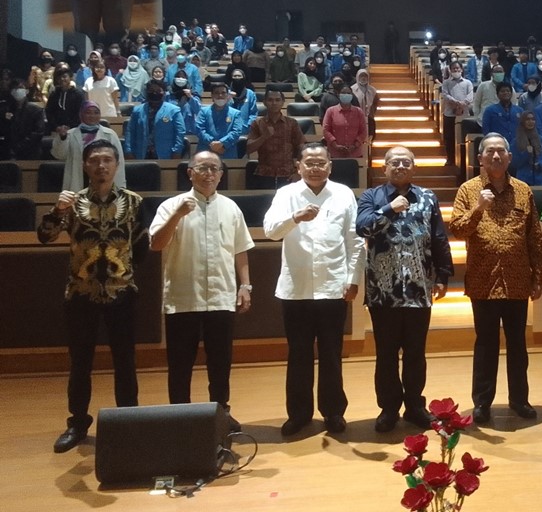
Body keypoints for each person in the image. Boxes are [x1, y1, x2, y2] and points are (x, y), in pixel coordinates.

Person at [37, 139, 145, 453]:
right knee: (80, 362)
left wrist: (123, 269)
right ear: (85, 166)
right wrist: (57, 211)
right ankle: (78, 423)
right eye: (95, 160)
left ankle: (129, 421)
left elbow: (141, 246)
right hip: (81, 293)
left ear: (116, 165)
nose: (101, 166)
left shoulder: (134, 201)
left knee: (125, 362)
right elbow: (45, 237)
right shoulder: (71, 203)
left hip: (121, 292)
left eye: (107, 160)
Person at [263, 143, 364, 436]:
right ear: (299, 166)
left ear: (330, 166)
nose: (315, 168)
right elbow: (270, 231)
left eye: (321, 163)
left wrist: (353, 277)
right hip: (296, 289)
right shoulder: (287, 194)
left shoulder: (344, 193)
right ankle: (299, 414)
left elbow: (354, 240)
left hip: (334, 287)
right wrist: (295, 217)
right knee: (299, 354)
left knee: (332, 353)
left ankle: (333, 412)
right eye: (310, 163)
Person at [149, 152, 254, 431]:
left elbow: (240, 249)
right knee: (180, 366)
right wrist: (177, 215)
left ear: (221, 174)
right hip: (183, 299)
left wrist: (245, 285)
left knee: (220, 365)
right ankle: (179, 416)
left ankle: (221, 413)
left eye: (214, 169)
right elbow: (156, 244)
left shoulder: (231, 207)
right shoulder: (171, 205)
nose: (209, 174)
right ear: (190, 172)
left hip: (221, 297)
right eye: (203, 168)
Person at [356, 147, 453, 432]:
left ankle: (414, 406)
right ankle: (388, 409)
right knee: (385, 353)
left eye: (406, 162)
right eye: (394, 162)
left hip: (418, 288)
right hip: (382, 290)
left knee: (415, 352)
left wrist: (443, 274)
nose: (400, 165)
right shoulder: (371, 197)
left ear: (414, 168)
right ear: (384, 168)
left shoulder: (427, 197)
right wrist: (389, 209)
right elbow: (362, 228)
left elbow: (438, 237)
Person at [449, 133, 542, 422]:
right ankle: (482, 403)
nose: (496, 156)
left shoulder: (523, 190)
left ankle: (519, 400)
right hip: (483, 280)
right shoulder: (468, 190)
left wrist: (538, 275)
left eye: (501, 151)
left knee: (518, 344)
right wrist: (479, 208)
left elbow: (534, 236)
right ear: (480, 159)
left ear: (509, 157)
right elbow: (457, 230)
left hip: (517, 280)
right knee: (486, 344)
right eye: (490, 152)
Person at [52, 101, 127, 191]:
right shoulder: (70, 134)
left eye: (96, 112)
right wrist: (63, 138)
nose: (92, 116)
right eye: (88, 112)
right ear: (81, 114)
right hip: (78, 180)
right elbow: (59, 155)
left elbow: (119, 162)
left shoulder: (110, 134)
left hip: (103, 177)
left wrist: (120, 187)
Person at [247, 88, 306, 186]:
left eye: (278, 100)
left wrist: (298, 173)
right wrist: (264, 137)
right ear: (264, 102)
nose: (274, 103)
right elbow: (249, 148)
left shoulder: (292, 123)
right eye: (270, 100)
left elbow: (302, 148)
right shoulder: (257, 123)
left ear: (283, 102)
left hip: (288, 174)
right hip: (264, 174)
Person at [124, 79, 186, 159]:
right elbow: (130, 132)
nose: (154, 93)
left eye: (158, 90)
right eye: (151, 90)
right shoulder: (137, 111)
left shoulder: (174, 110)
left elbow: (180, 132)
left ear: (164, 92)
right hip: (141, 153)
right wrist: (128, 151)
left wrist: (177, 151)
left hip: (166, 154)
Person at [1, 79, 46, 159]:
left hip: (30, 152)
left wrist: (21, 145)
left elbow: (38, 132)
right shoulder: (6, 109)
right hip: (9, 152)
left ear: (26, 91)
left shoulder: (36, 110)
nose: (17, 90)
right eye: (14, 88)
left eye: (20, 88)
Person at [197, 83, 243, 159]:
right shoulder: (203, 111)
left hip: (227, 152)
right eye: (217, 93)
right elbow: (199, 129)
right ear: (212, 95)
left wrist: (222, 143)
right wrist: (212, 143)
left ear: (228, 95)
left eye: (223, 93)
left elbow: (236, 132)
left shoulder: (236, 113)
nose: (220, 95)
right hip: (206, 151)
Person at [440, 61, 473, 166]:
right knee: (449, 137)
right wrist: (456, 103)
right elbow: (445, 95)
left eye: (458, 68)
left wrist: (462, 105)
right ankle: (450, 159)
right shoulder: (446, 82)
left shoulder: (468, 82)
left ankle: (462, 160)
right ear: (450, 70)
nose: (456, 70)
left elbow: (470, 96)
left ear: (462, 70)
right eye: (454, 68)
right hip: (449, 113)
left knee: (462, 138)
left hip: (464, 113)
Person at [322, 88, 368, 159]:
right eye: (343, 93)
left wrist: (355, 145)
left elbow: (363, 131)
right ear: (339, 95)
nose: (346, 95)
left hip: (355, 153)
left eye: (348, 93)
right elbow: (326, 130)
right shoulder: (330, 111)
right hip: (334, 153)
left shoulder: (359, 112)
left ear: (352, 96)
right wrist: (335, 145)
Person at [511, 111, 542, 186]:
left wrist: (540, 164)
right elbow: (514, 163)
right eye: (527, 119)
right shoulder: (515, 142)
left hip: (539, 180)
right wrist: (526, 154)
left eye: (533, 119)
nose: (530, 122)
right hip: (522, 180)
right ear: (523, 122)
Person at [45, 67, 85, 133]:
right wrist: (56, 127)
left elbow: (80, 113)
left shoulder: (78, 94)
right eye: (59, 77)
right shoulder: (54, 94)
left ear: (71, 78)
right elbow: (49, 112)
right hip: (56, 131)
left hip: (74, 131)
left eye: (64, 77)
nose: (62, 79)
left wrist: (70, 127)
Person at [169, 69, 202, 135]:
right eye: (178, 77)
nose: (180, 79)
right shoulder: (168, 96)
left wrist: (190, 98)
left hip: (189, 131)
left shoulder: (193, 96)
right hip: (172, 131)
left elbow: (199, 111)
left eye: (183, 77)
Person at [351, 69, 379, 139]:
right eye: (361, 76)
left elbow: (375, 104)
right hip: (355, 119)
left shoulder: (373, 90)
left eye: (365, 76)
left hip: (369, 118)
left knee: (370, 137)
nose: (363, 78)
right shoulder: (352, 89)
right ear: (357, 77)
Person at [228, 69, 258, 135]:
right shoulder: (226, 94)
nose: (237, 78)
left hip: (245, 128)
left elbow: (253, 113)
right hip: (228, 129)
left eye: (239, 76)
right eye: (235, 76)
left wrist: (248, 126)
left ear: (243, 77)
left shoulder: (250, 94)